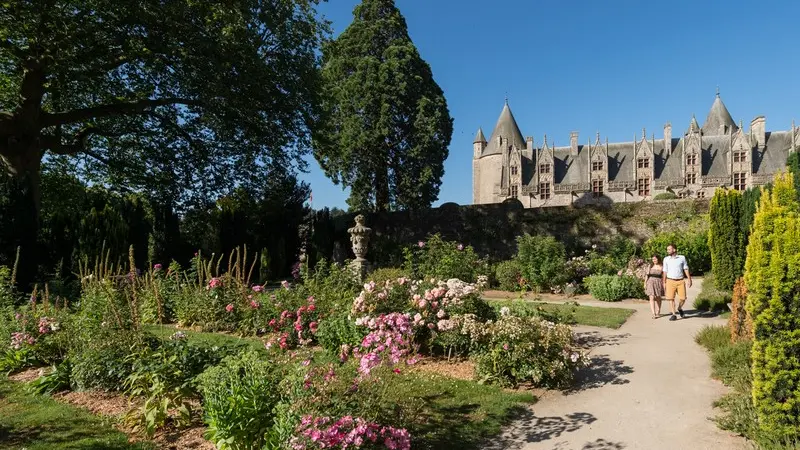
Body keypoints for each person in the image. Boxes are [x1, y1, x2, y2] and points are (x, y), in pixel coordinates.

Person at [661, 243, 692, 321]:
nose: (667, 251)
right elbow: (665, 270)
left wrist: (689, 279)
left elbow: (685, 268)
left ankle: (679, 308)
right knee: (670, 298)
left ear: (674, 250)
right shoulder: (666, 259)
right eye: (667, 249)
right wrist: (664, 281)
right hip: (670, 280)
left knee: (683, 298)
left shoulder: (682, 258)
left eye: (669, 249)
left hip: (680, 281)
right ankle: (673, 314)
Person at [645, 255, 664, 319]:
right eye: (653, 259)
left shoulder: (662, 266)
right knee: (651, 297)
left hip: (658, 282)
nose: (654, 260)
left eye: (655, 259)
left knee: (658, 297)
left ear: (658, 259)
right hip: (650, 282)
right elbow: (647, 275)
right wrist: (645, 283)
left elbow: (664, 276)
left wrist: (664, 284)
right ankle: (653, 313)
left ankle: (658, 312)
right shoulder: (650, 266)